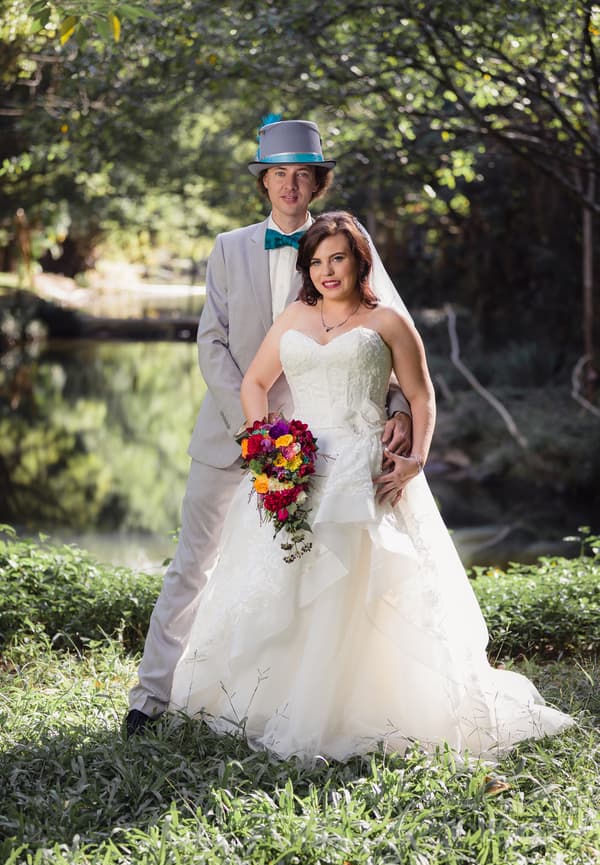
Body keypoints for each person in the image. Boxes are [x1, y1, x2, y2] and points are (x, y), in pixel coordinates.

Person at [168, 211, 573, 764]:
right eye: (315, 261)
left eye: (337, 258)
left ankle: (358, 708)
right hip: (301, 470)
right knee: (290, 586)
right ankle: (279, 701)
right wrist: (268, 447)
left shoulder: (387, 322)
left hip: (366, 472)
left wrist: (418, 458)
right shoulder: (293, 317)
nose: (326, 271)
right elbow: (255, 383)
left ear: (360, 260)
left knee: (362, 590)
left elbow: (422, 395)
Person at [125, 120, 413, 736]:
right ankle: (151, 699)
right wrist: (260, 437)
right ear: (264, 182)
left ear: (317, 182)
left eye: (302, 174)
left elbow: (382, 347)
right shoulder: (229, 247)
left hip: (330, 449)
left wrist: (400, 411)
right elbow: (212, 344)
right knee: (193, 564)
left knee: (310, 571)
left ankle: (285, 700)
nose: (290, 185)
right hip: (233, 435)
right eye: (278, 173)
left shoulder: (346, 248)